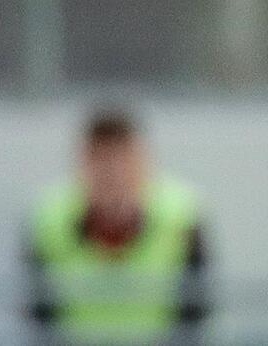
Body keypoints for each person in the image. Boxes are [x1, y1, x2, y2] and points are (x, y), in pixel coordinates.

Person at [26, 110, 211, 346]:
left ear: (144, 163)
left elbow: (195, 312)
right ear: (82, 164)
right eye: (101, 161)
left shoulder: (182, 216)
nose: (113, 174)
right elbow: (39, 314)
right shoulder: (48, 220)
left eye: (124, 161)